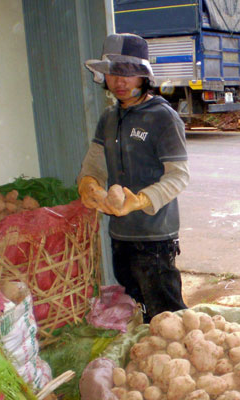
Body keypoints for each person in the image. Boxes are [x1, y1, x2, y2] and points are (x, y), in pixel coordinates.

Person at [77, 33, 189, 323]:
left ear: (143, 76)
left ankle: (178, 364)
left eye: (128, 73)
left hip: (154, 237)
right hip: (120, 236)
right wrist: (88, 183)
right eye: (114, 72)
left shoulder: (162, 117)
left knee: (168, 317)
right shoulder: (109, 118)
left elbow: (178, 177)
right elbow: (95, 163)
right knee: (136, 310)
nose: (119, 81)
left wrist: (139, 200)